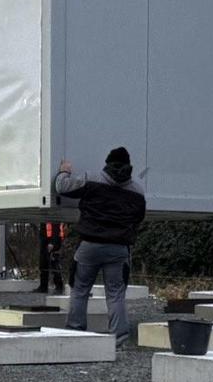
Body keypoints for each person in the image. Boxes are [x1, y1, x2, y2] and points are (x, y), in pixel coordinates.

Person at [54, 146, 146, 348]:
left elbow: (62, 187)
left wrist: (64, 171)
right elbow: (138, 218)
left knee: (80, 289)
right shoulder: (137, 191)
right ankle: (119, 340)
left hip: (90, 246)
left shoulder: (92, 179)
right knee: (115, 294)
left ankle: (75, 332)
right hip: (118, 249)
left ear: (108, 163)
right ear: (129, 166)